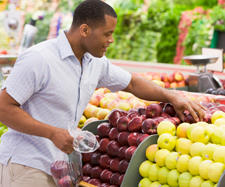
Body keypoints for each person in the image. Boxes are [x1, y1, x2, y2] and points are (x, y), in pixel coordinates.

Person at [0, 0, 205, 186]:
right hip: (27, 166)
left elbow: (132, 83)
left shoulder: (94, 62)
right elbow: (3, 107)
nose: (112, 40)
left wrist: (172, 95)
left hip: (61, 168)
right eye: (107, 33)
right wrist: (52, 133)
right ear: (85, 30)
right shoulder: (40, 58)